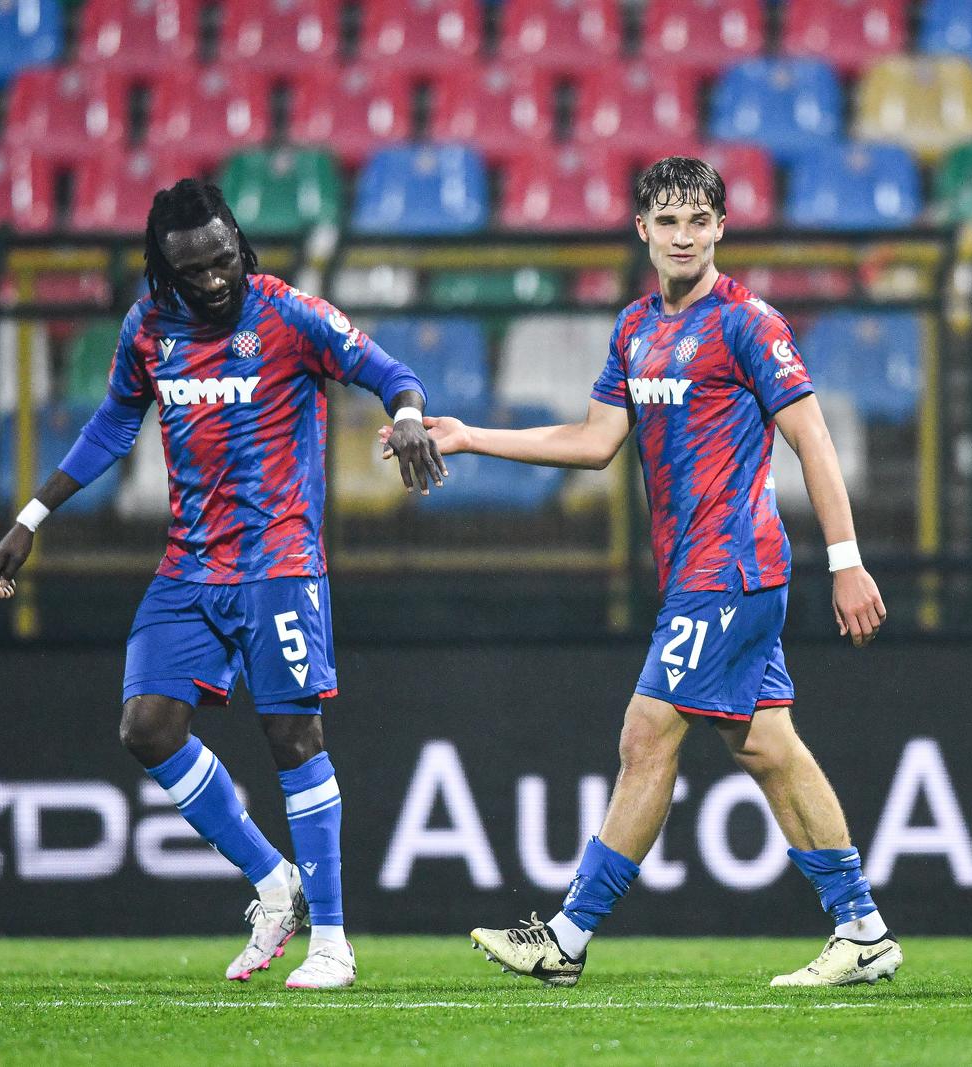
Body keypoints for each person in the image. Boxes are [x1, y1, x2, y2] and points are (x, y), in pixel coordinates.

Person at [389, 156, 897, 988]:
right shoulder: (633, 328)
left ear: (722, 227)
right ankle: (863, 927)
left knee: (646, 734)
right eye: (669, 221)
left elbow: (812, 438)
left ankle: (567, 935)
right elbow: (594, 442)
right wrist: (471, 436)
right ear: (643, 230)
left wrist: (848, 563)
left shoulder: (749, 322)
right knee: (769, 747)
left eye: (699, 220)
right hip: (703, 572)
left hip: (730, 568)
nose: (685, 235)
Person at [0, 178, 445, 989]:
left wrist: (407, 414)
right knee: (146, 726)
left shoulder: (288, 314)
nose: (213, 280)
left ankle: (332, 940)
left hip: (279, 562)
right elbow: (113, 424)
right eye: (192, 269)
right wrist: (32, 514)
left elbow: (390, 370)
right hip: (189, 566)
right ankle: (275, 884)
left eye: (222, 259)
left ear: (238, 240)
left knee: (292, 739)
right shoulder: (148, 329)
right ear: (164, 268)